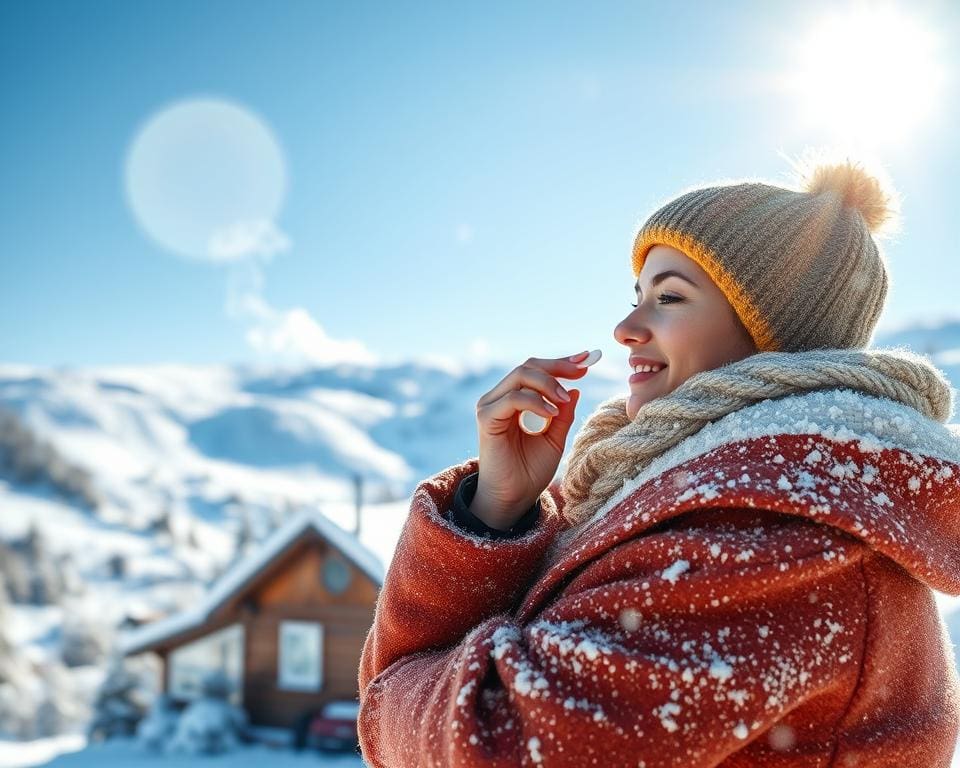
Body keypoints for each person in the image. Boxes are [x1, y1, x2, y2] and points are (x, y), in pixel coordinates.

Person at [357, 152, 960, 767]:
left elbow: (493, 743)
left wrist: (393, 697)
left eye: (669, 297)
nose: (625, 326)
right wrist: (495, 510)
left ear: (773, 331)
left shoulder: (777, 527)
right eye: (637, 294)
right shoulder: (678, 490)